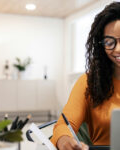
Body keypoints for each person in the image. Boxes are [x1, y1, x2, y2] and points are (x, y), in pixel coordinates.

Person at [50, 2, 120, 150]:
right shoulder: (89, 82)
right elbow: (64, 125)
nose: (117, 49)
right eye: (109, 42)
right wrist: (64, 140)